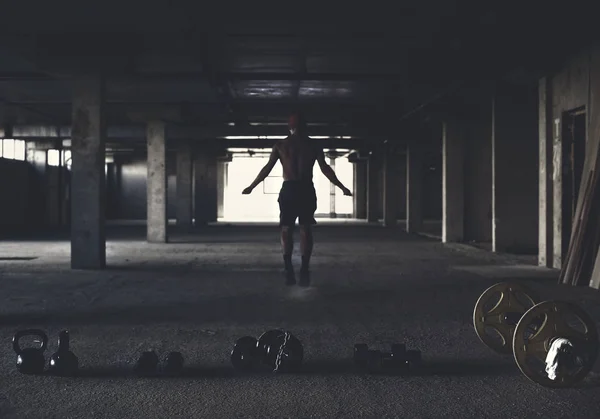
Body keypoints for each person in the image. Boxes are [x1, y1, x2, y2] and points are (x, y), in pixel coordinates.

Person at [242, 113, 352, 286]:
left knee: (286, 229)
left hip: (289, 189)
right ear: (306, 126)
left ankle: (289, 268)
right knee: (305, 229)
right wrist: (342, 186)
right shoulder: (313, 145)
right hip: (305, 188)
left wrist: (252, 186)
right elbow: (325, 169)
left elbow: (267, 168)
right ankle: (304, 270)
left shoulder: (281, 145)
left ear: (289, 126)